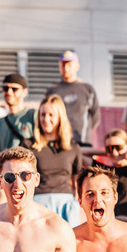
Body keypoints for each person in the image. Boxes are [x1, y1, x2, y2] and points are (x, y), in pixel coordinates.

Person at [31, 95, 82, 225]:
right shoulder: (28, 145)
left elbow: (77, 179)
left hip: (66, 205)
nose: (46, 119)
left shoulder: (72, 147)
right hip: (38, 203)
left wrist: (75, 202)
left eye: (51, 115)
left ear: (60, 117)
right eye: (43, 115)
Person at [44, 50, 99, 149]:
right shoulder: (52, 90)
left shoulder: (87, 89)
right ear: (59, 67)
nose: (66, 68)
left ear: (77, 66)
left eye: (69, 64)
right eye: (63, 65)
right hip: (58, 142)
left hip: (82, 141)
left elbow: (95, 117)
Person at [98, 129, 127, 226]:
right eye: (110, 149)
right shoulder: (106, 171)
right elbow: (80, 153)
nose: (115, 153)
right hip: (109, 226)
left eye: (118, 147)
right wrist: (105, 153)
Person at [0, 73, 35, 151]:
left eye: (14, 89)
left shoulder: (34, 115)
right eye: (5, 88)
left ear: (25, 92)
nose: (9, 92)